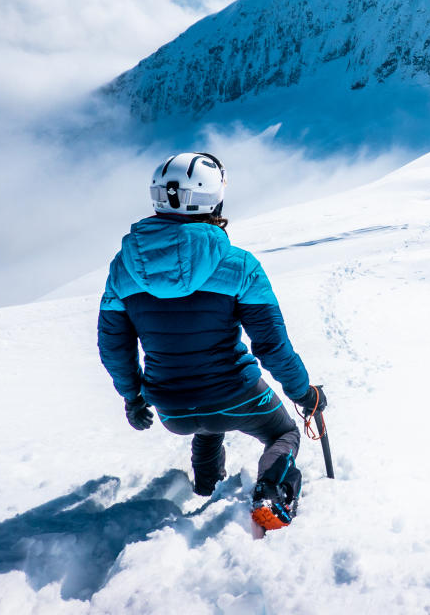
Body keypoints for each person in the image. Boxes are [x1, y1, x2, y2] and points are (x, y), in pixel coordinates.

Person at [97, 151, 324, 532]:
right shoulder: (239, 265)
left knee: (205, 424)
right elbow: (271, 345)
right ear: (214, 197)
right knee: (282, 433)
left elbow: (114, 347)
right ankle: (271, 492)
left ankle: (207, 490)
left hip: (172, 408)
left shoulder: (123, 268)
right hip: (237, 394)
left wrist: (133, 397)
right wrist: (305, 394)